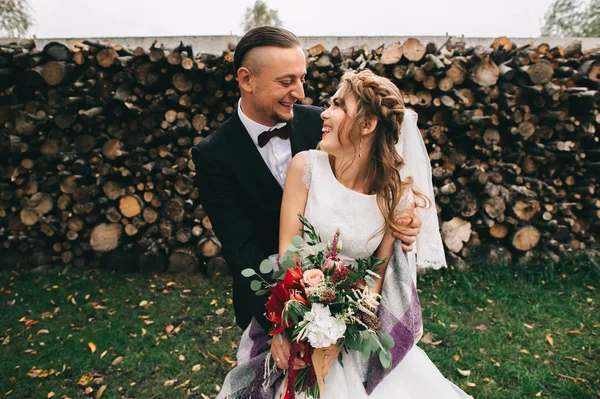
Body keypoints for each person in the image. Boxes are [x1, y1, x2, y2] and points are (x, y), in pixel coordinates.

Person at [191, 25, 424, 377]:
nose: (299, 93)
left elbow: (375, 181)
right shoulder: (213, 155)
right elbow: (242, 248)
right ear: (246, 79)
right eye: (286, 82)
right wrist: (282, 323)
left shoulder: (328, 123)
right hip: (270, 303)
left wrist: (405, 224)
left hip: (346, 311)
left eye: (302, 78)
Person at [269, 69, 468, 398]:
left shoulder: (396, 196)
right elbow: (288, 255)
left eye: (338, 105)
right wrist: (291, 325)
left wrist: (342, 331)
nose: (325, 113)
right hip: (298, 311)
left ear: (367, 125)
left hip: (356, 326)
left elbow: (376, 274)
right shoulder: (305, 167)